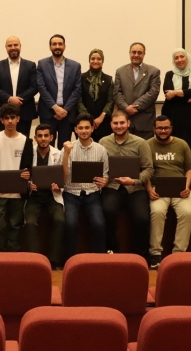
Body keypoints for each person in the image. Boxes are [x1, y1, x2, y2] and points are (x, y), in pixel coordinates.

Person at [99, 110, 153, 259]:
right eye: (115, 123)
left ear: (128, 123)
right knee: (108, 211)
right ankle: (112, 250)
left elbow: (149, 169)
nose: (119, 126)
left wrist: (134, 181)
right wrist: (104, 179)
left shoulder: (141, 143)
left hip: (135, 188)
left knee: (142, 218)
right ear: (111, 125)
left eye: (122, 123)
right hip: (112, 186)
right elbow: (100, 167)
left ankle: (140, 256)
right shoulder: (103, 142)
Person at [146, 115, 191, 269]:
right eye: (160, 128)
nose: (163, 131)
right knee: (157, 212)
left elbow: (190, 168)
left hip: (181, 188)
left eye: (166, 128)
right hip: (158, 189)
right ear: (154, 129)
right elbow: (144, 170)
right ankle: (155, 253)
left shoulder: (182, 144)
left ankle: (179, 254)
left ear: (171, 129)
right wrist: (149, 189)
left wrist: (187, 186)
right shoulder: (147, 145)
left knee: (187, 213)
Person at [62, 114, 109, 260]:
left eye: (87, 127)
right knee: (70, 224)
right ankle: (70, 260)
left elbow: (106, 174)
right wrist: (66, 154)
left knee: (99, 223)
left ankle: (99, 260)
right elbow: (63, 177)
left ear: (92, 128)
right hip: (71, 193)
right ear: (75, 129)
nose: (84, 131)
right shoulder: (67, 148)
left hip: (92, 193)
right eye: (80, 128)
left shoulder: (101, 149)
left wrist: (105, 181)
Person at [0, 104, 33, 252]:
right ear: (1, 120)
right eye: (6, 118)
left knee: (15, 225)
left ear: (18, 118)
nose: (10, 121)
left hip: (18, 193)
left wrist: (28, 174)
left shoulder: (26, 141)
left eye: (13, 117)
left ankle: (14, 255)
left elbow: (29, 167)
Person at [24, 124, 64, 269]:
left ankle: (53, 260)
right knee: (29, 222)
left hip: (52, 196)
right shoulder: (29, 153)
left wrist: (58, 186)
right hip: (34, 196)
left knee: (60, 220)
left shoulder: (58, 154)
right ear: (35, 138)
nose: (43, 139)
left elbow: (63, 177)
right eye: (40, 136)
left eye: (46, 136)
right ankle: (34, 260)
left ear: (51, 137)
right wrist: (29, 184)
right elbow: (23, 174)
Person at [36, 34, 82, 147]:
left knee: (64, 147)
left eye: (60, 44)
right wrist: (55, 108)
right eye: (54, 44)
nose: (57, 46)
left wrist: (64, 110)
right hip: (48, 113)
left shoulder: (75, 66)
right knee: (46, 147)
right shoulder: (42, 64)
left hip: (67, 114)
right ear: (50, 47)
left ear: (64, 46)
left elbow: (77, 90)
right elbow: (41, 87)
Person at [0, 36, 38, 137]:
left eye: (15, 45)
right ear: (6, 48)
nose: (13, 48)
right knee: (3, 142)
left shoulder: (30, 65)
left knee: (23, 142)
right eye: (10, 45)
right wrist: (9, 99)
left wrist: (18, 100)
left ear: (20, 46)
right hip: (3, 112)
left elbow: (34, 87)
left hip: (25, 111)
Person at [113, 42, 161, 139]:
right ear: (129, 53)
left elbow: (153, 93)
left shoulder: (153, 71)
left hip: (145, 121)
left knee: (144, 147)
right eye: (134, 52)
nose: (136, 55)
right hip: (124, 120)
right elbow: (117, 93)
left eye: (139, 53)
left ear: (144, 54)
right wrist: (126, 108)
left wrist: (135, 107)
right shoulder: (120, 71)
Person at [161, 48, 191, 159]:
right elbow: (167, 94)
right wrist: (189, 99)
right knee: (173, 148)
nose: (179, 60)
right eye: (176, 58)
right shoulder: (169, 74)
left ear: (187, 58)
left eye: (182, 56)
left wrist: (175, 92)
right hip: (173, 116)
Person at [78, 48, 114, 142]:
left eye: (99, 59)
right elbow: (78, 99)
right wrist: (88, 118)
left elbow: (110, 101)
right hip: (84, 123)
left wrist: (101, 117)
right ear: (89, 60)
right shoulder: (81, 78)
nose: (95, 61)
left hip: (104, 122)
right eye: (93, 58)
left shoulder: (109, 79)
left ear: (103, 61)